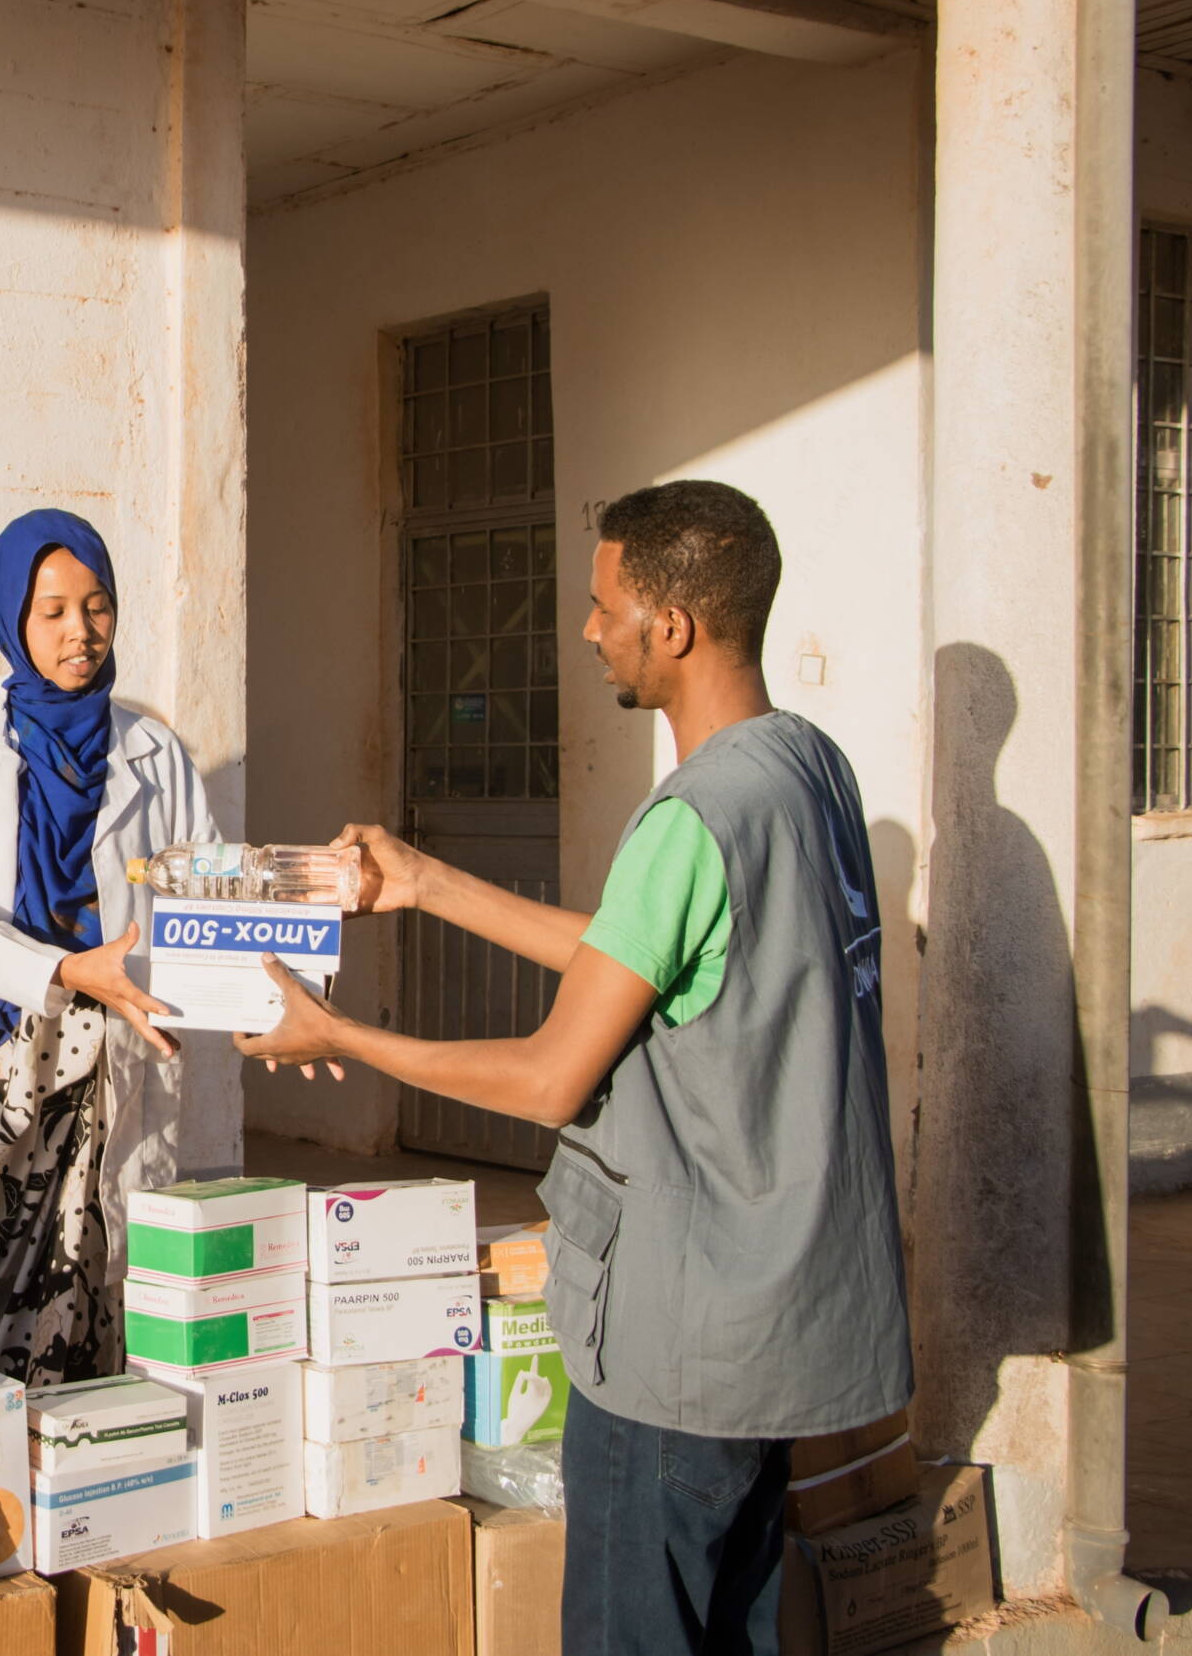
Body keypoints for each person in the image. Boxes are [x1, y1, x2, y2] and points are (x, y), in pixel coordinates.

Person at [240, 481, 910, 1656]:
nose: (589, 631)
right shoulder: (807, 772)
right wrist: (427, 885)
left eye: (603, 607)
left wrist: (339, 1039)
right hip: (775, 1335)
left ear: (673, 627)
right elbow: (631, 957)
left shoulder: (691, 818)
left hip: (675, 1349)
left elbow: (554, 1075)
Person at [0, 509, 221, 1385]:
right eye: (54, 611)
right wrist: (62, 969)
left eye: (97, 606)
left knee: (83, 1280)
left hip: (109, 1062)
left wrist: (295, 913)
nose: (81, 633)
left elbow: (206, 892)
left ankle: (68, 1494)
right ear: (12, 620)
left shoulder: (154, 753)